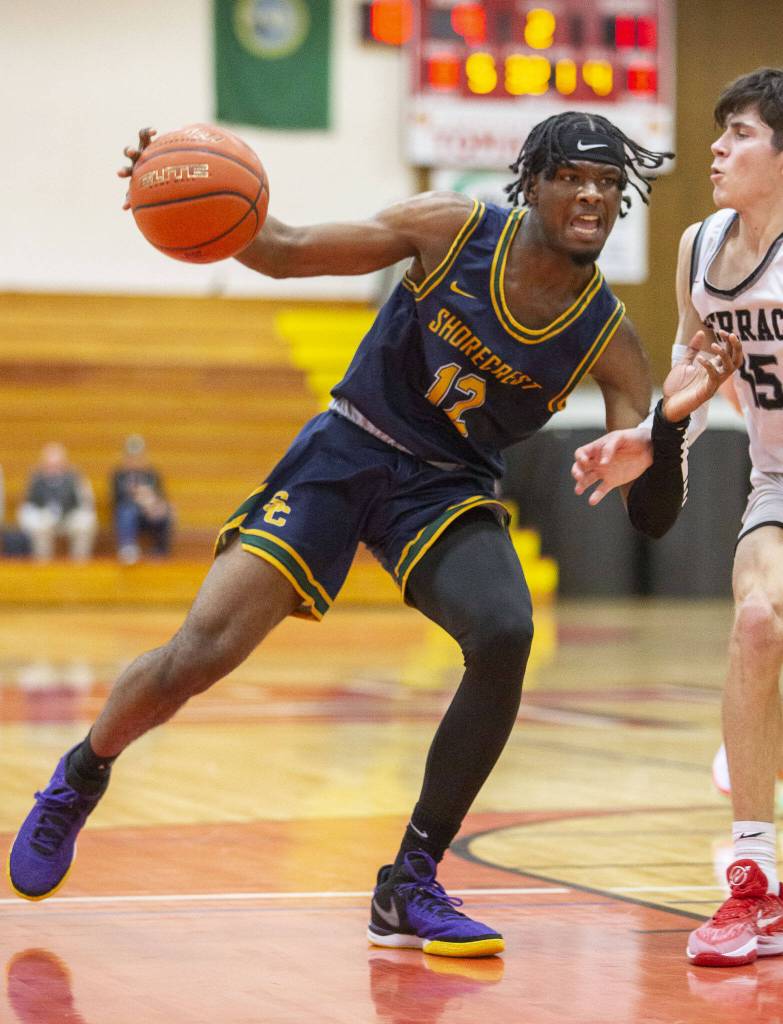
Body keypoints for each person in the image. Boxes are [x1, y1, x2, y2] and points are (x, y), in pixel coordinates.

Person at [7, 113, 739, 957]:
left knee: (504, 631)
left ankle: (410, 882)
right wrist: (172, 188)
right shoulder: (449, 228)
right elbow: (281, 249)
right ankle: (82, 773)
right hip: (348, 447)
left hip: (444, 488)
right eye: (574, 176)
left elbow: (650, 517)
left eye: (610, 184)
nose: (593, 195)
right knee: (199, 654)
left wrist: (666, 428)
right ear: (532, 182)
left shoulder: (607, 340)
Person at [571, 68, 783, 967]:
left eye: (737, 133)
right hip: (775, 480)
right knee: (756, 620)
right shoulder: (699, 246)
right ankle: (755, 883)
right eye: (716, 130)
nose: (715, 148)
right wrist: (653, 439)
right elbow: (689, 379)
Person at [17, 443, 98, 562]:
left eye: (57, 465)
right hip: (44, 518)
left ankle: (79, 564)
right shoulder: (35, 479)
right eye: (50, 465)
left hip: (69, 517)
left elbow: (86, 502)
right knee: (39, 527)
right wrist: (41, 516)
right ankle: (43, 567)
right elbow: (27, 506)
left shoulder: (75, 477)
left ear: (64, 464)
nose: (53, 468)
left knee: (85, 524)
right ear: (43, 464)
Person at [111, 434, 173, 564]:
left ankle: (161, 550)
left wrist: (154, 504)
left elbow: (161, 495)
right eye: (131, 457)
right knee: (127, 510)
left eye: (138, 457)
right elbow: (115, 499)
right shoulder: (118, 475)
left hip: (149, 512)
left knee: (165, 510)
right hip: (128, 513)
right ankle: (128, 548)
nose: (134, 460)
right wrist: (136, 497)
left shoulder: (152, 474)